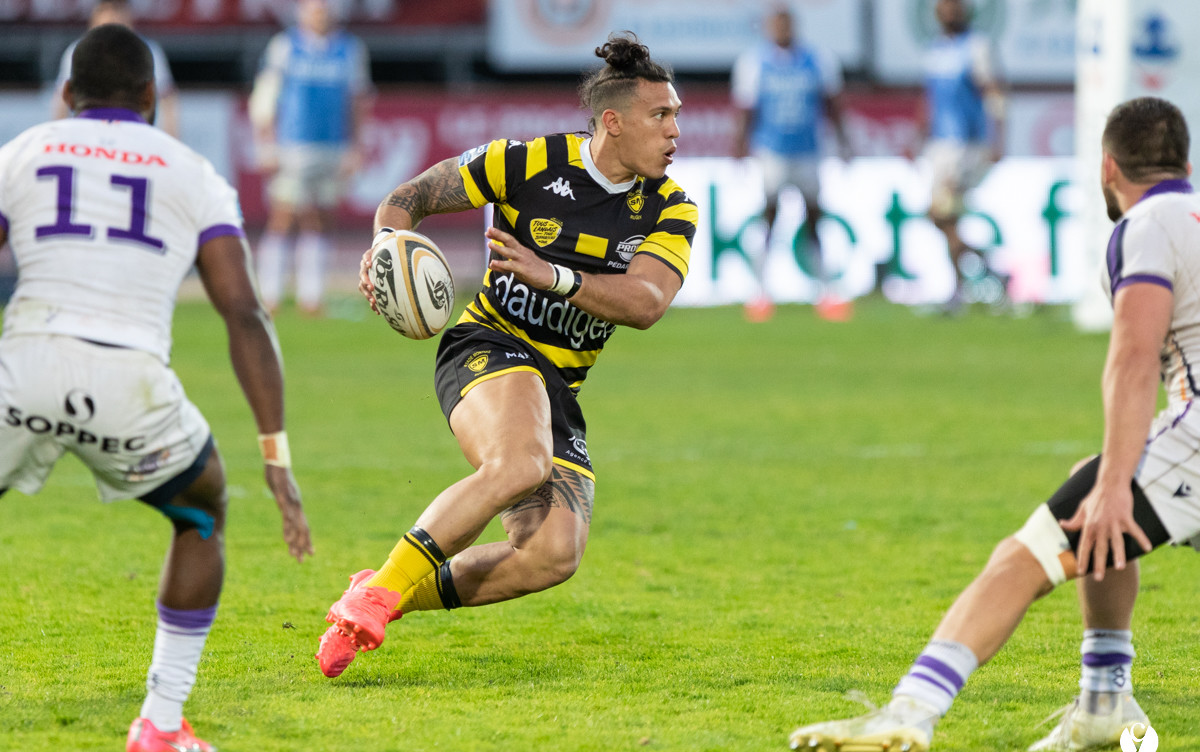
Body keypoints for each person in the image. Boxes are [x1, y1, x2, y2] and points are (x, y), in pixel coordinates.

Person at [788, 96, 1195, 752]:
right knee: (1087, 488)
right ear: (1186, 162)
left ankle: (910, 710)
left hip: (1195, 440)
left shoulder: (1147, 224)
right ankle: (1104, 701)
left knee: (1027, 554)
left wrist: (1119, 482)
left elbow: (1131, 359)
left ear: (1107, 168)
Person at [315, 32, 697, 678]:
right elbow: (407, 199)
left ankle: (387, 589)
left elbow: (648, 302)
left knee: (553, 554)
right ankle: (380, 593)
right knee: (520, 463)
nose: (675, 130)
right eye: (661, 115)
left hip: (558, 390)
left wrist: (557, 277)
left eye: (677, 115)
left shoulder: (670, 207)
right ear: (614, 121)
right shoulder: (525, 163)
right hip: (487, 347)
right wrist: (386, 248)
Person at [0, 24, 313, 752]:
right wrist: (275, 452)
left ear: (67, 94)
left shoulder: (23, 150)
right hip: (129, 380)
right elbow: (243, 310)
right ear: (149, 96)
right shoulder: (194, 173)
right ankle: (161, 721)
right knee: (202, 512)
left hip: (27, 363)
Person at [248, 0, 373, 316]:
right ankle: (269, 294)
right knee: (284, 217)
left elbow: (357, 100)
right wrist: (266, 143)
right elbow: (265, 95)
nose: (321, 14)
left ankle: (312, 296)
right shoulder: (285, 46)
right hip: (294, 145)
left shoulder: (349, 49)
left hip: (333, 145)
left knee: (323, 219)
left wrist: (356, 147)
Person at [731, 4, 850, 323]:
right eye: (776, 24)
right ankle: (760, 292)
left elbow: (832, 104)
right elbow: (746, 110)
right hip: (772, 151)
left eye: (786, 24)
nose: (781, 29)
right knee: (770, 216)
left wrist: (844, 141)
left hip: (809, 150)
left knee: (814, 216)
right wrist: (739, 146)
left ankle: (826, 291)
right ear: (769, 28)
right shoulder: (754, 62)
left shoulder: (818, 59)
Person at [915, 0, 1007, 313]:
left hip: (967, 145)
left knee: (943, 212)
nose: (949, 13)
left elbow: (993, 92)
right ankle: (985, 274)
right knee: (943, 218)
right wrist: (918, 136)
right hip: (940, 145)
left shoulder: (977, 47)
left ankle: (960, 291)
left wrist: (998, 138)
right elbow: (931, 100)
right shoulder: (935, 50)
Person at [50, 0, 180, 138]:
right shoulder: (77, 51)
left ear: (129, 14)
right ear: (95, 14)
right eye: (106, 9)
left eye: (118, 9)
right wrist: (59, 139)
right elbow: (61, 101)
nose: (112, 15)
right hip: (89, 137)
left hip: (135, 137)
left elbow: (168, 101)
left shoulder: (148, 51)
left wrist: (171, 144)